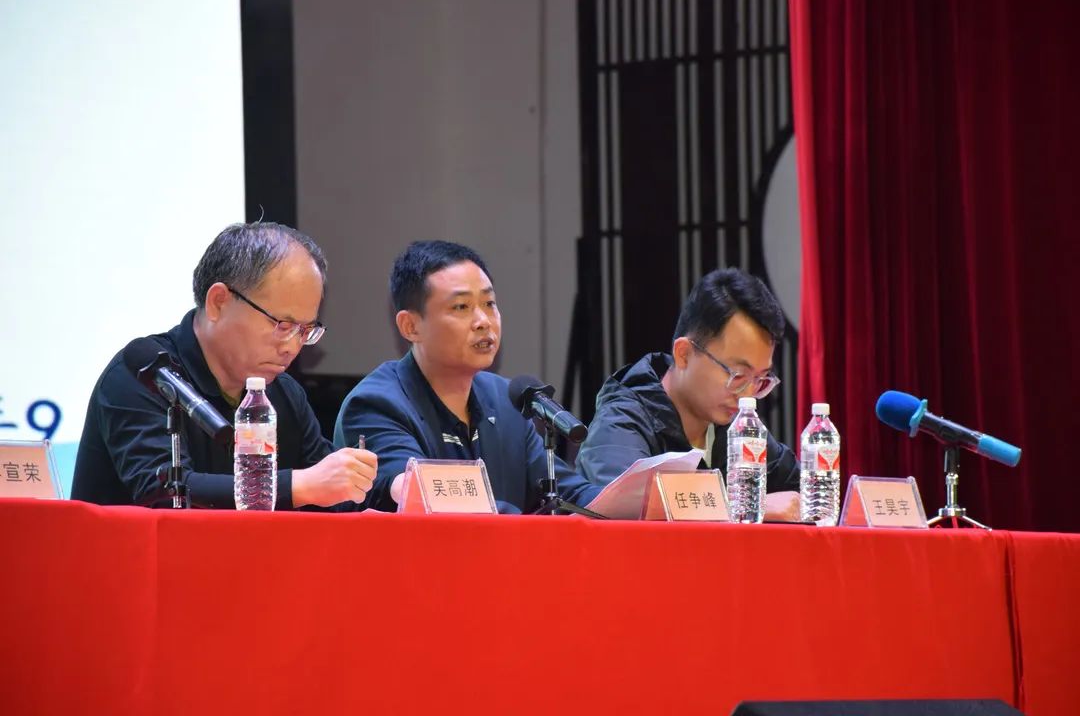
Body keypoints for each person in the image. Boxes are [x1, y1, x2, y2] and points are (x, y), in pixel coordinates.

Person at [72, 222, 376, 509]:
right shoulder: (144, 376)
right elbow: (164, 494)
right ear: (218, 302)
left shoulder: (284, 394)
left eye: (305, 331)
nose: (292, 347)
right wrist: (299, 486)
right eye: (283, 325)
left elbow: (333, 492)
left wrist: (383, 488)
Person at [333, 240, 600, 513]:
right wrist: (527, 527)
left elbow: (572, 494)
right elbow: (420, 495)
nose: (483, 321)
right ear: (410, 326)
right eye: (461, 307)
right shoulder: (376, 405)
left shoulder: (506, 401)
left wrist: (622, 500)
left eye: (489, 303)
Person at [576, 268, 801, 520]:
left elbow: (806, 490)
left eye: (760, 379)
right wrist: (750, 507)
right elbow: (628, 510)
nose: (747, 394)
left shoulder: (736, 426)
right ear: (684, 354)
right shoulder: (621, 424)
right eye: (737, 375)